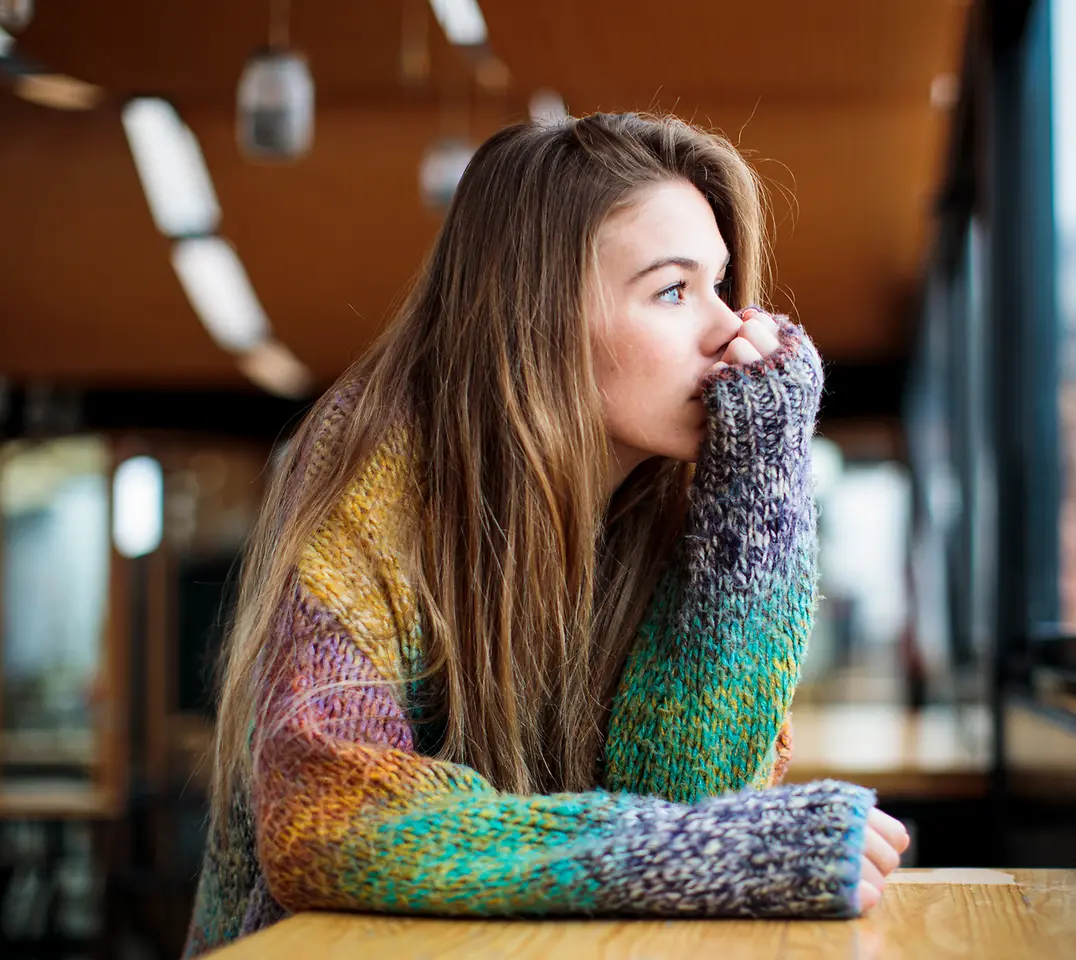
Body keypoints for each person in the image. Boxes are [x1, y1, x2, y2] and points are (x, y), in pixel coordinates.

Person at [182, 111, 909, 958]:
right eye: (673, 292)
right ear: (539, 319)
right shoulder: (377, 473)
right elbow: (332, 818)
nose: (730, 329)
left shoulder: (668, 502)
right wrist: (732, 850)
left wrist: (760, 475)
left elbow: (686, 797)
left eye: (719, 284)